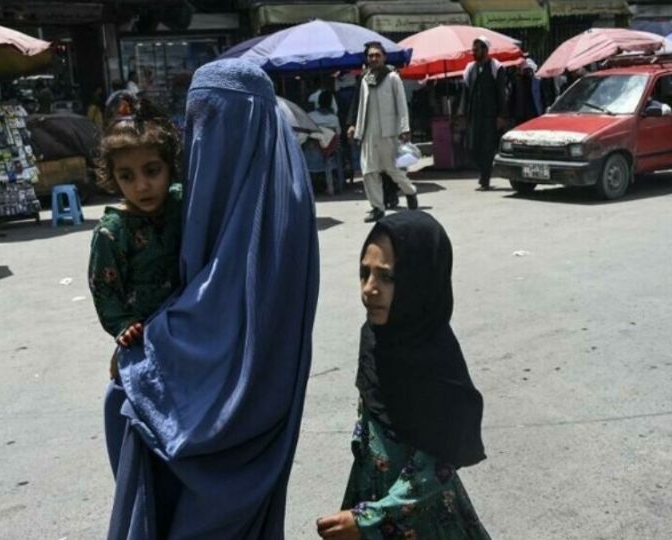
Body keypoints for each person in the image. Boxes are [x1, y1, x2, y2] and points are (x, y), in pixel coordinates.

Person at [106, 59, 319, 539]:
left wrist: (142, 356)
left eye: (214, 121)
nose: (204, 140)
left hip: (235, 411)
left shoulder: (274, 206)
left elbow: (222, 313)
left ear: (247, 121)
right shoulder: (277, 179)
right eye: (195, 122)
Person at [315, 212, 490, 540]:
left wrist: (369, 521)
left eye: (387, 277)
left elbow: (435, 467)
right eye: (364, 273)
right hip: (372, 502)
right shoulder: (374, 339)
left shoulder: (438, 367)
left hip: (422, 518)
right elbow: (369, 428)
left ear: (418, 282)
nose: (370, 289)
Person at [87, 91, 184, 469]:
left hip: (185, 329)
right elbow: (104, 289)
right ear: (111, 178)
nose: (142, 186)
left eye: (152, 171)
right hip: (143, 338)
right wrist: (123, 326)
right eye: (127, 176)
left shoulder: (181, 202)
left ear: (169, 168)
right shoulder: (112, 231)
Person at [348, 42, 419, 222]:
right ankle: (377, 208)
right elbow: (360, 106)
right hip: (369, 132)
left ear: (384, 57)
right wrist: (356, 127)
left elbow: (402, 104)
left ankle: (410, 192)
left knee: (391, 169)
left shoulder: (393, 78)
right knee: (368, 171)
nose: (373, 58)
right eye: (371, 56)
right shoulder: (365, 80)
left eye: (377, 55)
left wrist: (405, 128)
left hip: (389, 131)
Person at [461, 36, 508, 191]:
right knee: (472, 147)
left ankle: (485, 179)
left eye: (476, 50)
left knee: (487, 148)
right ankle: (484, 172)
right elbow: (466, 93)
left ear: (485, 50)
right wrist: (463, 114)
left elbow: (501, 93)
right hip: (474, 115)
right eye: (473, 50)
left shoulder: (496, 67)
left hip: (490, 116)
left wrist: (501, 115)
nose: (473, 53)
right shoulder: (469, 69)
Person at [509, 59, 543, 127]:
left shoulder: (537, 82)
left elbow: (542, 97)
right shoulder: (517, 82)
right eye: (526, 70)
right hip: (521, 114)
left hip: (534, 113)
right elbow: (513, 98)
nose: (528, 72)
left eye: (529, 69)